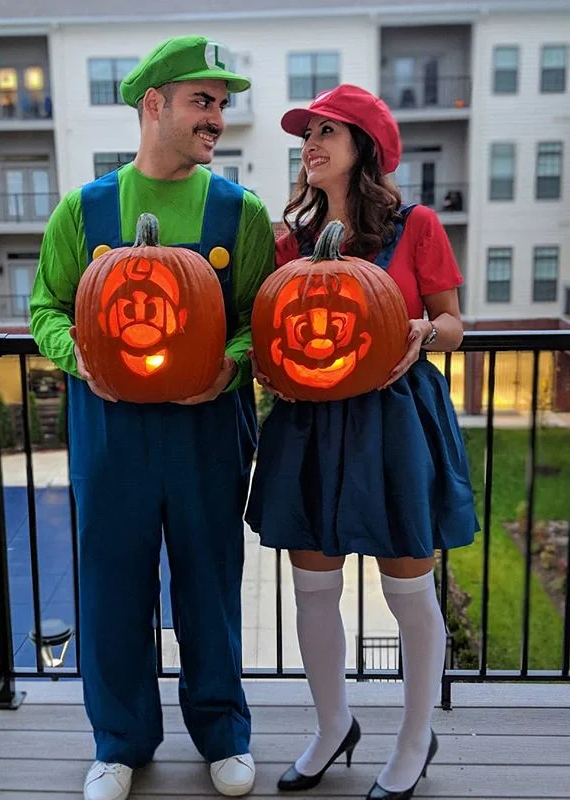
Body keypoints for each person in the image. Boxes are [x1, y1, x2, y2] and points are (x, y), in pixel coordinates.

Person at [30, 35, 274, 800]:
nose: (217, 118)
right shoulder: (84, 210)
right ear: (153, 105)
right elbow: (45, 308)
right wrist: (80, 356)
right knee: (112, 589)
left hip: (207, 431)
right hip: (112, 432)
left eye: (221, 105)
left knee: (210, 584)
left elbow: (261, 319)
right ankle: (120, 743)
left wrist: (232, 362)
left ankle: (223, 734)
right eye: (203, 101)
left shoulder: (242, 213)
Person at [246, 84, 478, 799]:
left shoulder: (417, 227)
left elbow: (452, 323)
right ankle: (332, 726)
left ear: (364, 148)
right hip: (311, 423)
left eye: (327, 132)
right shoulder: (290, 241)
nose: (310, 145)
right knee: (313, 587)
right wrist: (268, 369)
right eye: (306, 135)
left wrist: (423, 330)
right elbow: (271, 329)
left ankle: (414, 738)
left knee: (407, 588)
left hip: (393, 421)